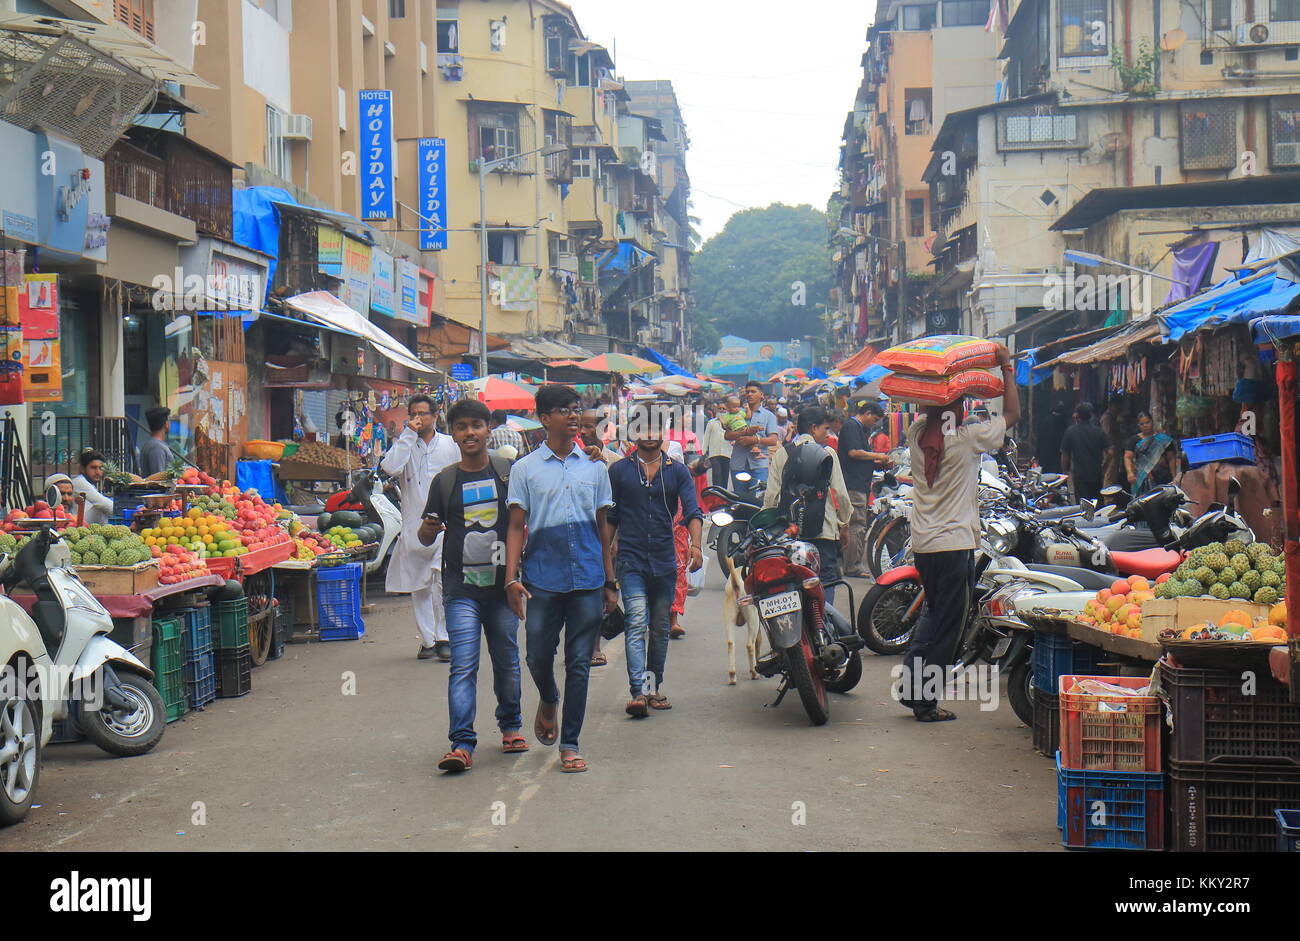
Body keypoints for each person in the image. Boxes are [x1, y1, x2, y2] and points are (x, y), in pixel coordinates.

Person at [899, 343, 1020, 723]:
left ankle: (910, 688)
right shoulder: (967, 438)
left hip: (924, 544)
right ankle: (924, 702)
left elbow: (932, 415)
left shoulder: (917, 432)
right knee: (947, 626)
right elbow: (1013, 413)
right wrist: (1006, 368)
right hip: (953, 546)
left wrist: (943, 389)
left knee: (934, 616)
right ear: (957, 410)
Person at [505, 384, 618, 775]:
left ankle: (570, 744)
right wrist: (510, 579)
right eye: (564, 410)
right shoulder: (525, 470)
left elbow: (604, 528)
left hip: (587, 577)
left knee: (580, 664)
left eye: (576, 409)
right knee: (537, 655)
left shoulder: (595, 467)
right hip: (541, 578)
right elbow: (516, 526)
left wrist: (610, 581)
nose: (574, 416)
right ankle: (548, 697)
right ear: (544, 418)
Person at [419, 400, 526, 773]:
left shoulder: (507, 471)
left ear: (488, 429)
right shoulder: (445, 481)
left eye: (476, 426)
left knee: (507, 662)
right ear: (453, 432)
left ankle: (511, 726)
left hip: (502, 589)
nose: (469, 433)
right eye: (461, 427)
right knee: (463, 666)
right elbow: (424, 532)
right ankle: (462, 743)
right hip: (460, 590)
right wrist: (428, 529)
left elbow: (521, 523)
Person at [607, 407, 703, 717]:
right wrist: (604, 557)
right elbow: (610, 517)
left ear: (663, 432)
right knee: (636, 619)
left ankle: (653, 687)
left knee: (660, 628)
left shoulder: (677, 471)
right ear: (634, 432)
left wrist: (696, 545)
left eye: (654, 428)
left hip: (664, 561)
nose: (649, 434)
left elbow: (692, 511)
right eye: (643, 428)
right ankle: (638, 692)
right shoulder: (620, 471)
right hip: (631, 559)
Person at [382, 394, 460, 661]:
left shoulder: (451, 445)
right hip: (414, 523)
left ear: (435, 416)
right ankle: (427, 640)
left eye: (422, 414)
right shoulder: (403, 445)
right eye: (412, 414)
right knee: (419, 586)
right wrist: (407, 436)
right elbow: (389, 468)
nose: (417, 419)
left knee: (441, 580)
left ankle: (443, 637)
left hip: (446, 524)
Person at [763, 406, 853, 604]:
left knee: (794, 580)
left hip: (791, 532)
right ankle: (824, 624)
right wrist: (844, 523)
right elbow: (842, 495)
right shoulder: (827, 453)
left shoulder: (782, 453)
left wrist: (769, 526)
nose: (828, 435)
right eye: (825, 429)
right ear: (813, 428)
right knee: (827, 579)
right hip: (824, 531)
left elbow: (771, 496)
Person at [838, 400, 891, 577]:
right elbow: (853, 453)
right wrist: (878, 455)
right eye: (874, 419)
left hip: (859, 482)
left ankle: (854, 563)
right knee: (857, 525)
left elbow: (859, 457)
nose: (874, 423)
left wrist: (876, 462)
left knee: (859, 524)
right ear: (867, 413)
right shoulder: (851, 427)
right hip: (853, 483)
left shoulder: (859, 429)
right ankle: (852, 566)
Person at [725, 381, 779, 501]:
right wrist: (743, 433)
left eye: (753, 392)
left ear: (761, 395)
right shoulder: (736, 413)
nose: (749, 394)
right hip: (738, 464)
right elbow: (727, 435)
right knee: (739, 500)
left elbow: (773, 440)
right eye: (747, 392)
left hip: (759, 466)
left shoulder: (768, 416)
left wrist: (755, 439)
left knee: (759, 500)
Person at [1059, 401, 1109, 502]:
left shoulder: (1071, 431)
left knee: (1082, 504)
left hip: (1079, 475)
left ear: (1078, 415)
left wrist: (1065, 471)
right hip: (1096, 474)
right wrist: (1104, 466)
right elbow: (1110, 452)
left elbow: (1065, 454)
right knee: (1096, 503)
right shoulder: (1099, 432)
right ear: (1091, 415)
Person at [1125, 411, 1178, 496]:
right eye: (1142, 424)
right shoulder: (1134, 440)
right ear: (1138, 426)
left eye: (1147, 422)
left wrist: (1174, 477)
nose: (1145, 426)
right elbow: (1128, 457)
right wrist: (1130, 472)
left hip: (1162, 477)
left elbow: (1171, 458)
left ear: (1152, 422)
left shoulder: (1163, 440)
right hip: (1143, 478)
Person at [71, 450, 114, 525]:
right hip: (79, 524)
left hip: (88, 521)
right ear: (82, 469)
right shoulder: (79, 481)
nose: (98, 472)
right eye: (93, 468)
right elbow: (104, 504)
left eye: (100, 468)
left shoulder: (90, 483)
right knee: (101, 506)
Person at [700, 401, 731, 487]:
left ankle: (724, 496)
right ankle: (716, 494)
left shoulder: (731, 423)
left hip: (727, 453)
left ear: (727, 410)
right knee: (716, 474)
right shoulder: (711, 422)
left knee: (725, 475)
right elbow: (706, 438)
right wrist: (703, 452)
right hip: (714, 453)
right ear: (717, 410)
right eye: (720, 408)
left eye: (723, 408)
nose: (721, 410)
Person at [140, 407, 173, 478]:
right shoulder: (157, 448)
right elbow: (158, 479)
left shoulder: (152, 445)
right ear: (166, 424)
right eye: (169, 421)